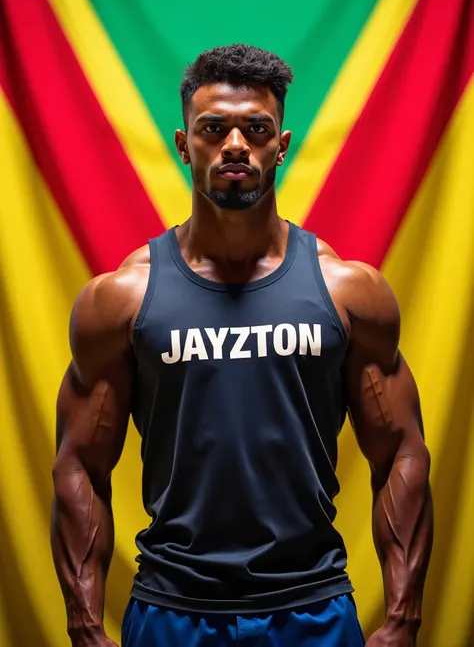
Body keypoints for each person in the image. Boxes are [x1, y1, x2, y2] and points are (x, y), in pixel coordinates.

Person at [52, 44, 433, 647]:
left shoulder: (348, 292)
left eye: (256, 129)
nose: (235, 144)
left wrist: (404, 616)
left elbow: (401, 453)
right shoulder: (122, 299)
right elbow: (79, 463)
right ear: (184, 145)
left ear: (281, 145)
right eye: (214, 129)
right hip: (171, 610)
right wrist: (84, 623)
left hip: (313, 608)